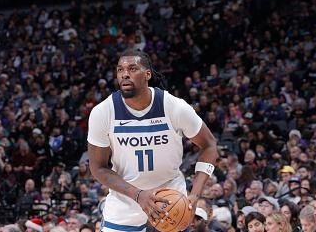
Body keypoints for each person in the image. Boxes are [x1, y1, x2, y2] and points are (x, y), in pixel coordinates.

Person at [87, 50, 218, 231]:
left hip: (171, 198)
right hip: (126, 199)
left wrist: (195, 195)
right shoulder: (103, 112)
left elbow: (209, 145)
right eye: (120, 70)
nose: (125, 74)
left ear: (147, 74)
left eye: (132, 68)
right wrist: (138, 195)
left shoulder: (174, 107)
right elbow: (97, 167)